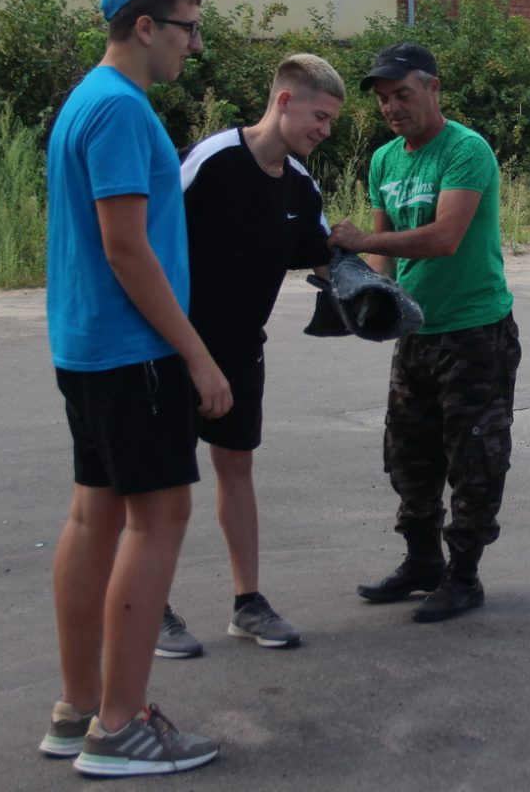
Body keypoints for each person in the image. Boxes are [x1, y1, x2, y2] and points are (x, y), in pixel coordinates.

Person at [41, 0, 225, 777]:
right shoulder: (121, 111)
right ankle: (120, 727)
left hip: (87, 349)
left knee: (94, 518)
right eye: (187, 28)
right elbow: (125, 246)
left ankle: (79, 708)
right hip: (136, 353)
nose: (194, 44)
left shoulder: (87, 99)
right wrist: (196, 353)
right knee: (160, 521)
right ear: (144, 26)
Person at [157, 54, 345, 656]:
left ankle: (247, 605)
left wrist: (374, 295)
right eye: (320, 116)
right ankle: (151, 607)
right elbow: (150, 239)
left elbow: (323, 257)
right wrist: (184, 350)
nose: (324, 130)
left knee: (236, 468)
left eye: (332, 122)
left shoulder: (301, 185)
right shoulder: (211, 160)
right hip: (174, 345)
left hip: (242, 347)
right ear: (285, 101)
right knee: (166, 479)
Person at [331, 43, 521, 623]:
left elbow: (444, 238)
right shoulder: (385, 161)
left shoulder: (466, 151)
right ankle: (422, 563)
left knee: (474, 458)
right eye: (385, 99)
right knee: (408, 456)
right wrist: (363, 292)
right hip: (416, 332)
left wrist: (362, 242)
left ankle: (464, 576)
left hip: (475, 332)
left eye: (403, 95)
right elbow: (387, 262)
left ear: (433, 89)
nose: (392, 108)